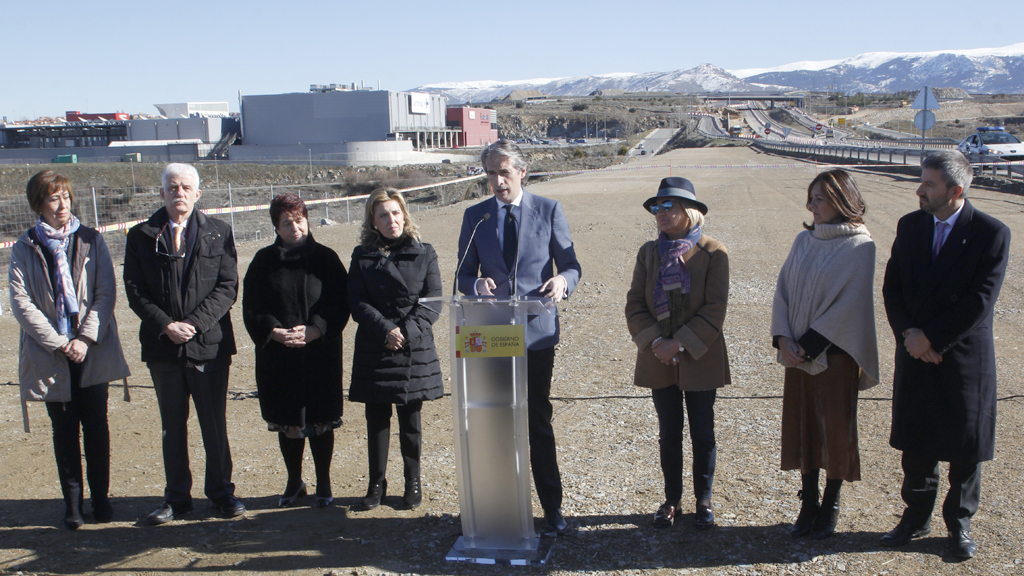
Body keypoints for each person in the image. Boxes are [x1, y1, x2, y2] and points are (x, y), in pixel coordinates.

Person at [880, 150, 1010, 559]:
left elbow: (979, 302)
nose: (919, 190)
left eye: (929, 184)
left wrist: (932, 339)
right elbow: (892, 288)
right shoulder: (911, 225)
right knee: (916, 441)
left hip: (961, 356)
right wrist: (910, 336)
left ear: (955, 191)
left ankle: (959, 524)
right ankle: (915, 517)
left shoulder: (991, 232)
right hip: (915, 351)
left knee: (964, 446)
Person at [457, 140, 582, 533]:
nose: (497, 181)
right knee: (495, 420)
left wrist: (563, 281)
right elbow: (462, 274)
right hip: (491, 333)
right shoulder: (475, 217)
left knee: (535, 419)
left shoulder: (549, 210)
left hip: (536, 333)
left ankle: (551, 507)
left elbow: (572, 265)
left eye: (504, 173)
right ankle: (498, 509)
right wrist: (476, 286)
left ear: (522, 172)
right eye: (491, 174)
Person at [123, 163, 244, 525]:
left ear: (197, 193)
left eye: (186, 187)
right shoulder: (140, 236)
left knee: (214, 424)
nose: (179, 193)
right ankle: (177, 497)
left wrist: (192, 325)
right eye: (172, 187)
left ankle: (222, 493)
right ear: (162, 193)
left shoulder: (219, 233)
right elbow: (134, 289)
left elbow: (227, 286)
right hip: (163, 349)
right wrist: (166, 325)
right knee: (172, 426)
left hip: (208, 347)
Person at [9, 170, 130, 530]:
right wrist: (59, 342)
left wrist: (83, 339)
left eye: (65, 197)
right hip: (51, 352)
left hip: (92, 348)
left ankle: (102, 500)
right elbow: (21, 301)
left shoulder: (93, 240)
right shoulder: (23, 246)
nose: (62, 205)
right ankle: (73, 504)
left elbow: (105, 293)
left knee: (96, 426)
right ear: (38, 204)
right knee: (63, 430)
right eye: (53, 198)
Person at [770, 169, 879, 540]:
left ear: (841, 200)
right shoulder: (804, 240)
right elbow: (783, 289)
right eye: (811, 197)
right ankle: (808, 502)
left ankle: (831, 503)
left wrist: (809, 346)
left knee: (833, 428)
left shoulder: (861, 246)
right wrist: (784, 338)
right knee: (802, 425)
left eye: (819, 198)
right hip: (797, 352)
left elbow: (850, 306)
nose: (811, 205)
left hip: (835, 354)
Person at [625, 177, 729, 530]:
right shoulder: (648, 252)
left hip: (700, 355)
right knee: (669, 431)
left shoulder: (714, 252)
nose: (660, 213)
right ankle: (672, 500)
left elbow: (715, 309)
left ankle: (704, 499)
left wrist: (680, 342)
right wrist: (657, 342)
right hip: (658, 356)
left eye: (668, 206)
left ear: (691, 212)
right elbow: (635, 303)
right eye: (657, 207)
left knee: (702, 430)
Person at [242, 194, 349, 508]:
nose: (295, 227)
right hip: (279, 356)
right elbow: (252, 307)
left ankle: (324, 482)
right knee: (288, 420)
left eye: (299, 220)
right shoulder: (263, 262)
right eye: (286, 222)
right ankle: (294, 480)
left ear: (307, 220)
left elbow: (340, 302)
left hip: (320, 354)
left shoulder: (326, 259)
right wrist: (273, 331)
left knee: (320, 419)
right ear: (276, 226)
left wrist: (316, 328)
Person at [348, 188, 443, 510]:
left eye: (396, 212)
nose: (392, 220)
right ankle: (376, 482)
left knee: (410, 418)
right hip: (377, 345)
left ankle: (412, 481)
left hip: (413, 346)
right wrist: (385, 330)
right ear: (373, 222)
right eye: (383, 215)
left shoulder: (424, 252)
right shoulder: (362, 256)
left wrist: (406, 331)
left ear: (405, 214)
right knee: (376, 418)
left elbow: (433, 302)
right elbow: (356, 301)